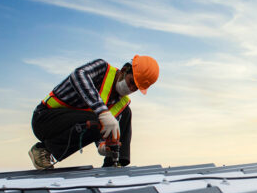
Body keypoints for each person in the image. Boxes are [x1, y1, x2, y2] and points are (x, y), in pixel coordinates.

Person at [29, 55, 159, 169]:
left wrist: (103, 145)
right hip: (45, 120)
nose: (130, 89)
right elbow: (78, 75)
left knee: (126, 113)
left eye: (135, 88)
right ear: (124, 70)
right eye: (131, 82)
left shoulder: (120, 103)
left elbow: (100, 127)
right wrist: (102, 111)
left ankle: (115, 162)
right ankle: (43, 149)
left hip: (75, 123)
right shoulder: (102, 69)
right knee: (99, 117)